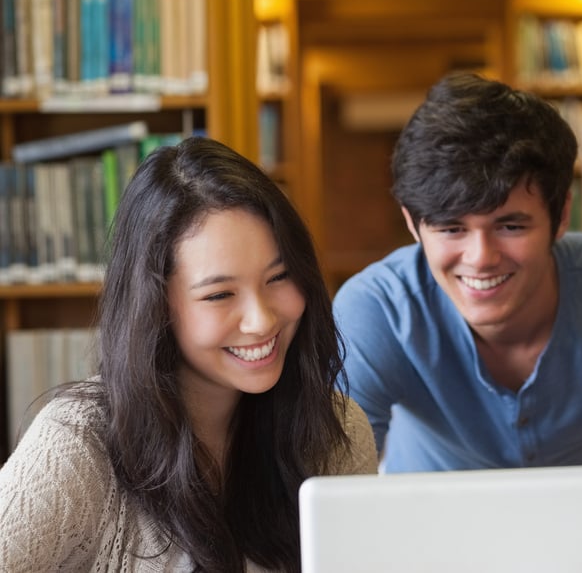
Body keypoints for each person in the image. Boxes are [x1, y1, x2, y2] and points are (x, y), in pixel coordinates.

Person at [0, 137, 377, 571]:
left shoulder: (337, 430)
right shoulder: (77, 445)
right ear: (156, 307)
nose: (261, 320)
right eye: (219, 294)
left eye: (280, 277)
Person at [333, 71, 582, 472]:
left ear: (561, 214)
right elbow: (337, 483)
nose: (480, 257)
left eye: (511, 226)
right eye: (451, 229)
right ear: (413, 225)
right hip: (424, 528)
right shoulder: (376, 309)